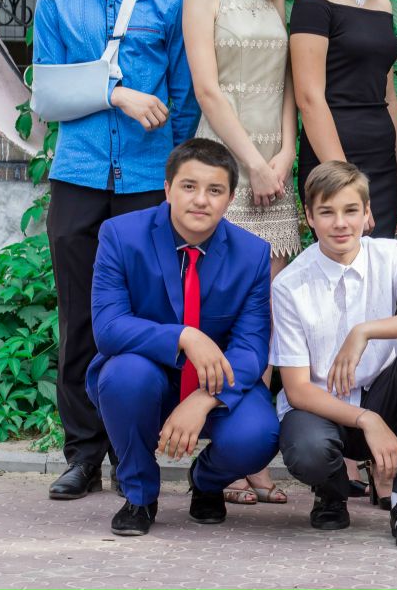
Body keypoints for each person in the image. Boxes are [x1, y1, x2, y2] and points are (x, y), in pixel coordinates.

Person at [34, 0, 199, 500]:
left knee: (148, 316)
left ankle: (136, 448)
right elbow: (49, 97)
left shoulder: (167, 2)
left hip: (146, 180)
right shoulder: (55, 2)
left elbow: (182, 96)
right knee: (79, 318)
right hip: (78, 176)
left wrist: (172, 175)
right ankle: (83, 453)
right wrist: (117, 94)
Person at [87, 139, 279, 536]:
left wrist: (204, 399)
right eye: (189, 186)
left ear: (230, 199)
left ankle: (206, 482)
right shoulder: (121, 235)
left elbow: (251, 349)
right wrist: (184, 336)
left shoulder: (252, 254)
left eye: (215, 190)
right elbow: (108, 327)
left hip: (216, 382)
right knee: (125, 375)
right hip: (145, 379)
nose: (201, 200)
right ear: (168, 188)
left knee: (258, 435)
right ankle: (140, 494)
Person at [183, 0, 300, 505]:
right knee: (222, 311)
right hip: (224, 162)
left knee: (270, 315)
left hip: (273, 170)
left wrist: (283, 154)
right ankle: (226, 452)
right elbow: (207, 89)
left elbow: (285, 86)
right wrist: (250, 162)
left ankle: (254, 455)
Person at [272, 161, 397, 546]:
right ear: (309, 216)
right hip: (321, 406)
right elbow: (297, 390)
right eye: (327, 212)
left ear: (367, 212)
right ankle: (331, 491)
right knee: (309, 450)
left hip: (382, 394)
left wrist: (366, 330)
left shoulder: (388, 255)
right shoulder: (289, 284)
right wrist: (367, 420)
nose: (341, 223)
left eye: (351, 210)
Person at [291, 0, 397, 236]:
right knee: (343, 259)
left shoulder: (382, 4)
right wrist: (345, 184)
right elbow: (309, 99)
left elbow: (388, 95)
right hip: (333, 156)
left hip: (382, 158)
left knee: (380, 262)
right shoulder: (313, 3)